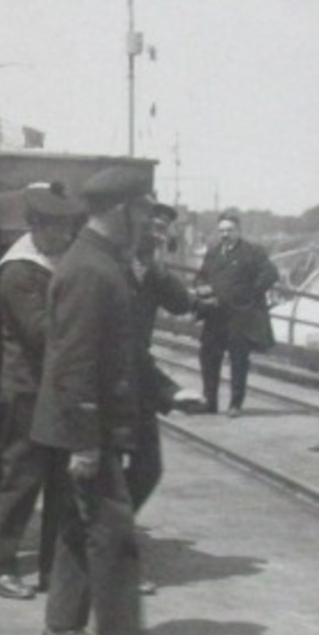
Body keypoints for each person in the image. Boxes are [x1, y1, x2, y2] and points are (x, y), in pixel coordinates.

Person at [32, 166, 172, 635]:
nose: (148, 223)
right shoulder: (91, 270)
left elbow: (121, 351)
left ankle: (63, 627)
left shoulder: (100, 262)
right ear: (121, 210)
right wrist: (88, 443)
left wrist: (162, 392)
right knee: (113, 531)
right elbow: (76, 365)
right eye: (143, 211)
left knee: (79, 525)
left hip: (88, 426)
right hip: (85, 429)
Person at [0, 182, 82, 600]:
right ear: (35, 226)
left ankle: (52, 568)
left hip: (53, 389)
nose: (65, 236)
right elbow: (40, 333)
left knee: (60, 481)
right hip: (26, 389)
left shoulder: (53, 259)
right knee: (21, 481)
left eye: (67, 227)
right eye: (56, 228)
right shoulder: (18, 270)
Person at [127, 200, 201, 512]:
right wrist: (168, 390)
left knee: (148, 467)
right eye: (151, 226)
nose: (156, 235)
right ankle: (104, 535)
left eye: (162, 229)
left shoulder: (153, 271)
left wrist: (159, 263)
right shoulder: (110, 266)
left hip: (137, 376)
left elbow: (181, 303)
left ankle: (111, 529)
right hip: (107, 378)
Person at [193, 212, 279, 417]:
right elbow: (200, 277)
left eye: (229, 230)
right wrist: (201, 288)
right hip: (214, 316)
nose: (225, 234)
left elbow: (270, 274)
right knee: (208, 357)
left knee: (239, 361)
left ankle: (235, 404)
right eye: (221, 230)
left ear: (238, 231)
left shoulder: (252, 252)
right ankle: (210, 402)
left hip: (240, 318)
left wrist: (249, 294)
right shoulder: (213, 253)